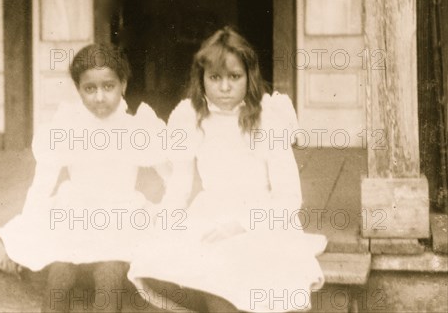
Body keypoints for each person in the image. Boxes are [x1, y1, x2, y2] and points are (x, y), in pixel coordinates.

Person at [128, 27, 327, 313]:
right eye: (215, 78)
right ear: (202, 79)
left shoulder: (268, 118)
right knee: (164, 260)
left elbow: (288, 198)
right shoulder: (191, 117)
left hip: (260, 218)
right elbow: (180, 187)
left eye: (234, 77)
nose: (224, 87)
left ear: (249, 77)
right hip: (210, 211)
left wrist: (238, 226)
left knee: (231, 269)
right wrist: (166, 221)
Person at [0, 44, 168, 313]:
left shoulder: (137, 128)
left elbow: (172, 178)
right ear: (78, 90)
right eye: (90, 89)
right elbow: (42, 186)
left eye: (108, 86)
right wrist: (23, 240)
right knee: (60, 275)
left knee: (109, 273)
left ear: (123, 84)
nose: (100, 97)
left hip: (119, 219)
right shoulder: (67, 126)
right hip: (74, 217)